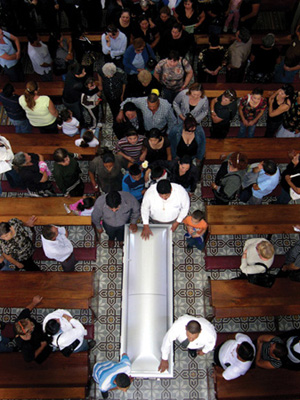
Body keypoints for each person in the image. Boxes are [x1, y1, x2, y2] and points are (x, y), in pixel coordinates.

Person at [14, 295, 52, 363]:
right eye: (31, 325)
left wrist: (34, 303)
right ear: (27, 332)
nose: (32, 324)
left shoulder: (21, 320)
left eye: (30, 322)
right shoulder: (25, 346)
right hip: (40, 344)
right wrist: (42, 346)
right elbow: (29, 359)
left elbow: (27, 310)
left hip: (40, 331)